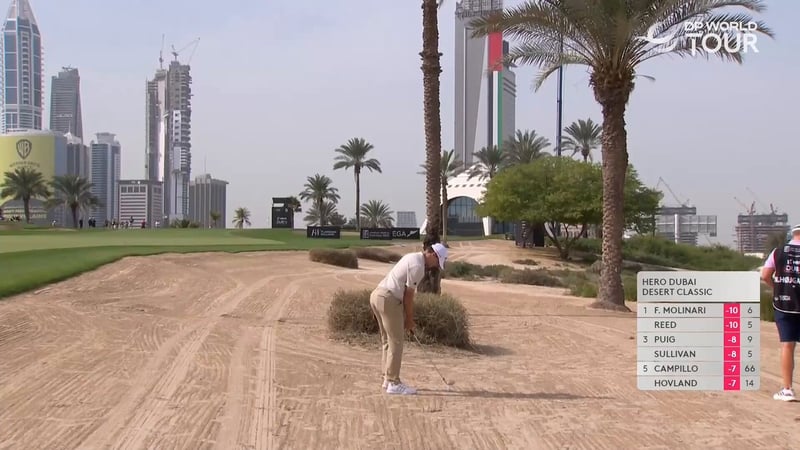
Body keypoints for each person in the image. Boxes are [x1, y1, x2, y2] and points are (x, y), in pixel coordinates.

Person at [370, 240, 448, 395]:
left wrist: (406, 317)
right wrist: (410, 320)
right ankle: (393, 382)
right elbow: (408, 296)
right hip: (388, 299)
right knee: (396, 342)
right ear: (432, 254)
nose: (435, 266)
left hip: (376, 296)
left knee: (387, 341)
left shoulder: (412, 257)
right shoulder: (418, 266)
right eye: (437, 262)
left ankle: (387, 379)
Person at [761, 224, 800, 401]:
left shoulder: (778, 252)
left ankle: (787, 389)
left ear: (793, 234)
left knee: (787, 345)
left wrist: (777, 288)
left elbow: (765, 275)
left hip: (784, 303)